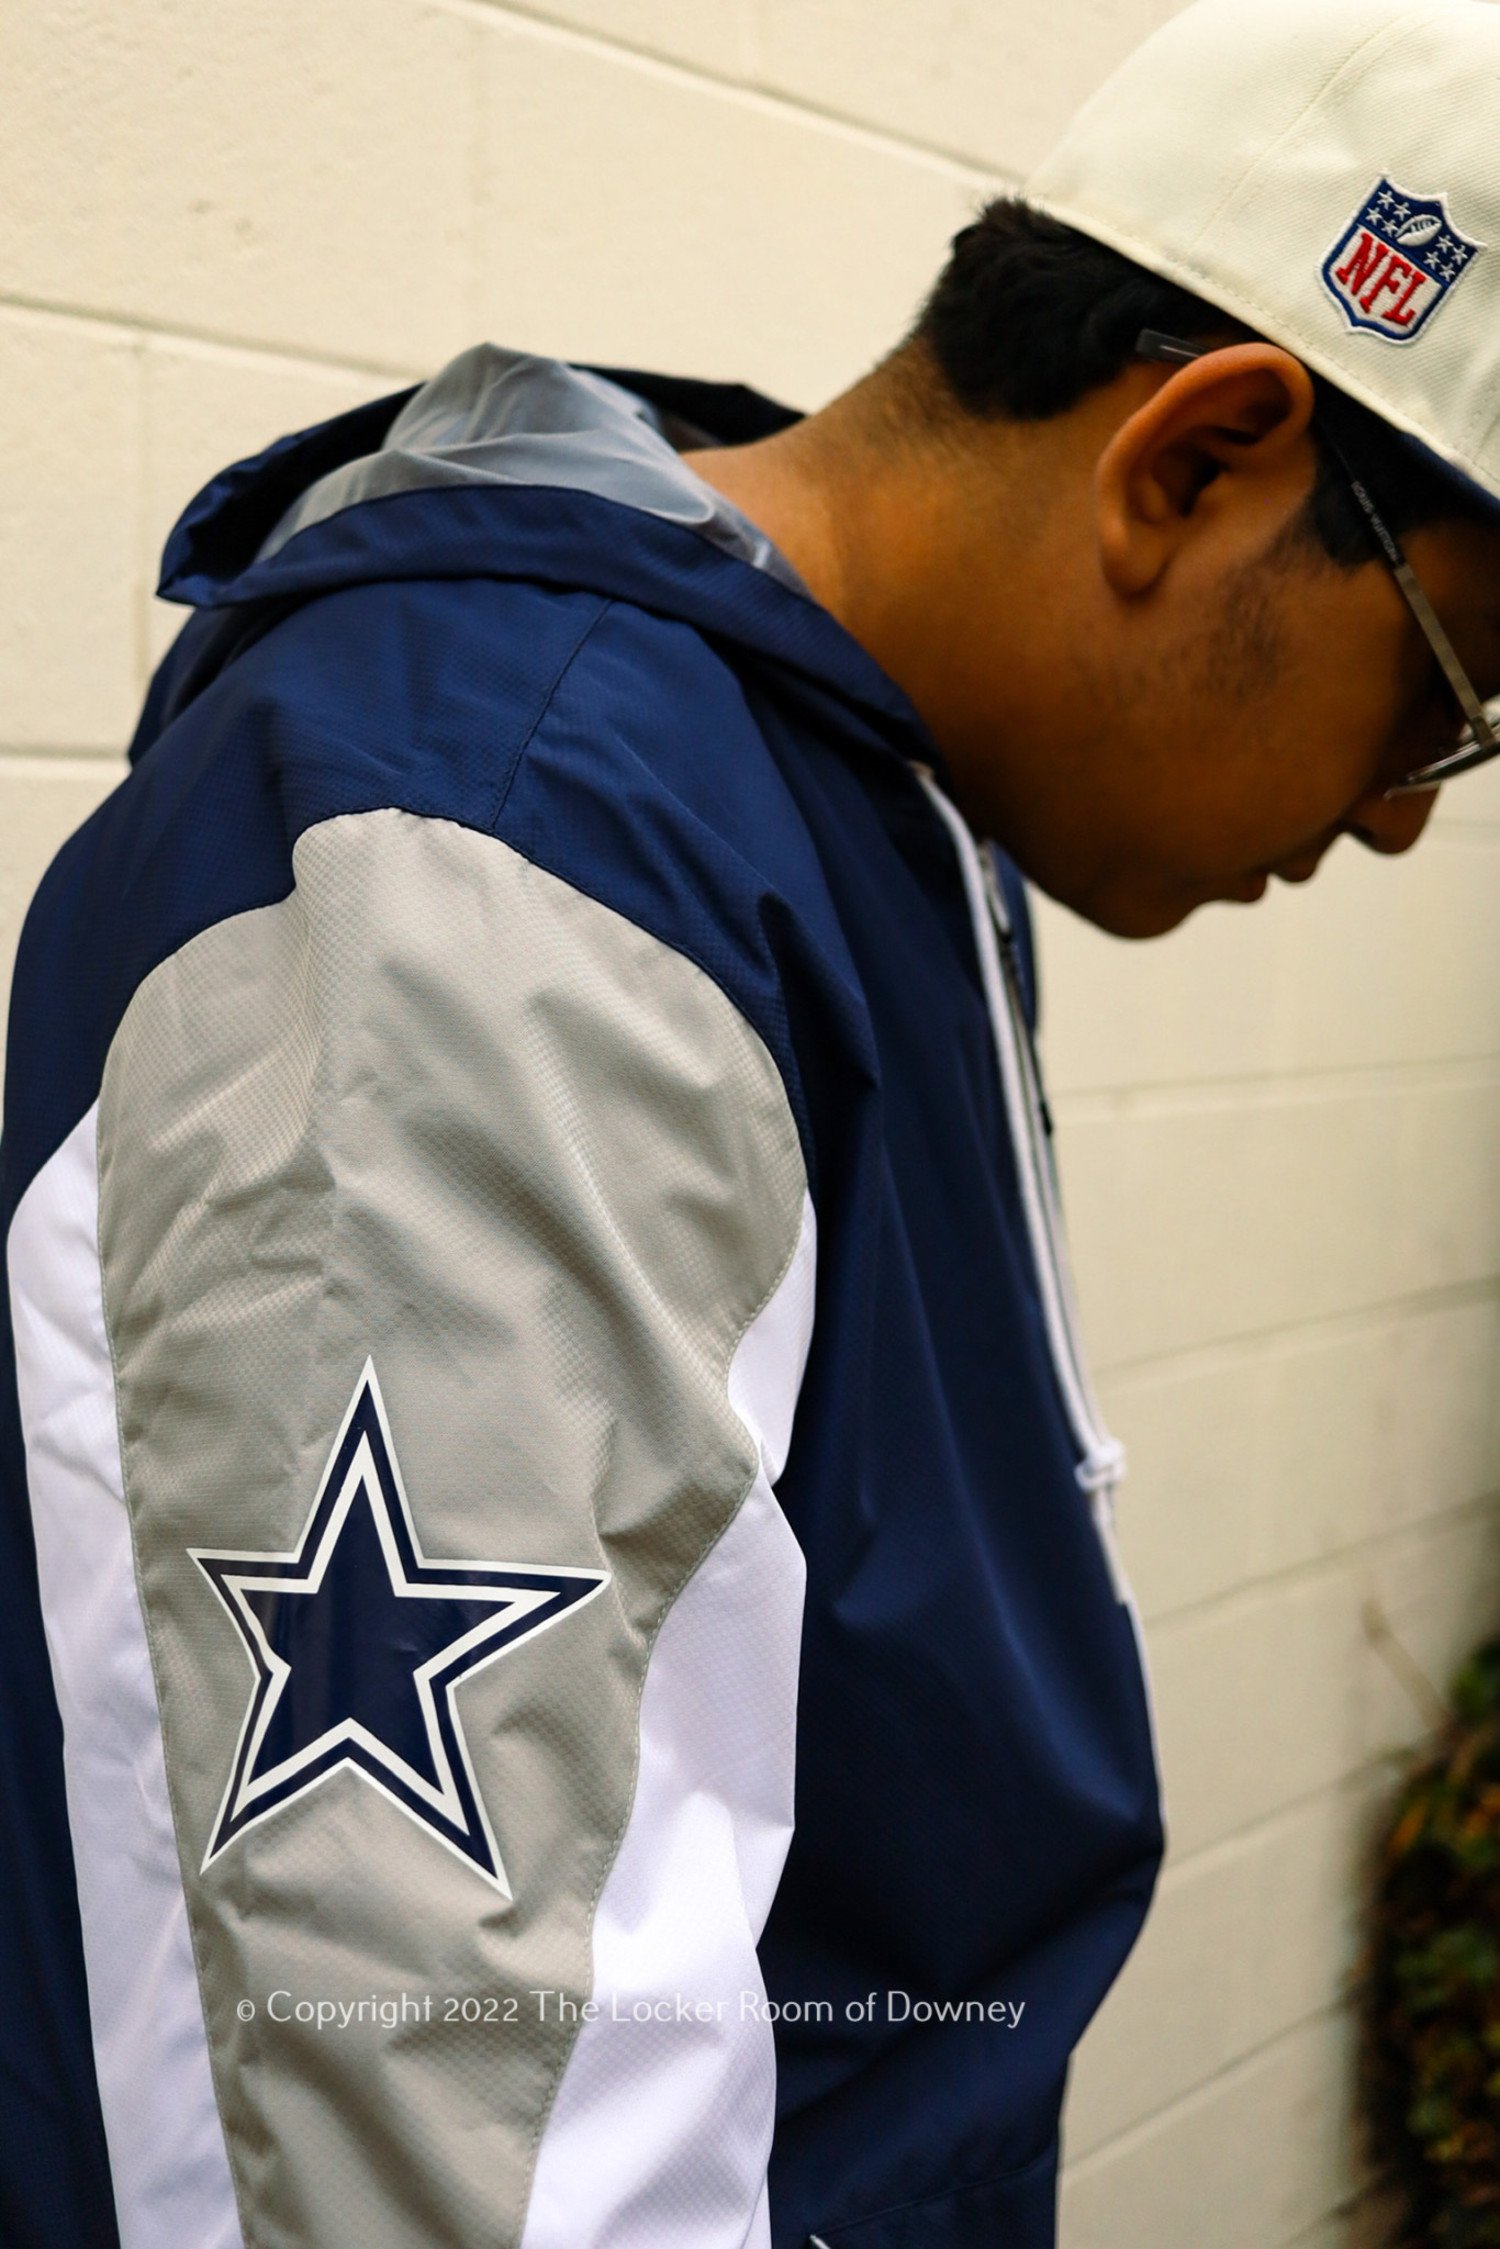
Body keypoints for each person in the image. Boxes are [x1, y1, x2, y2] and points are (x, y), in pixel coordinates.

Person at [4, 0, 1500, 2241]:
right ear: (1194, 459)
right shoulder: (500, 874)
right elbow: (428, 2119)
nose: (1402, 822)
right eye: (1450, 696)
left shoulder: (842, 784)